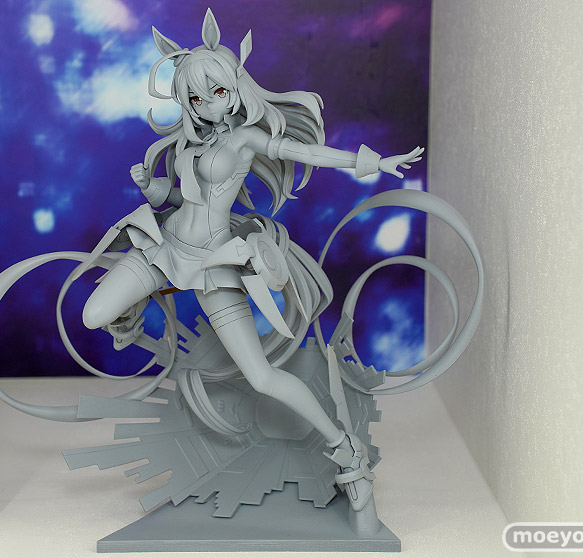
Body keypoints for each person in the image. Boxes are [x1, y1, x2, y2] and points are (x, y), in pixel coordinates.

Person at [80, 9, 422, 513]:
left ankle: (345, 450)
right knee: (94, 314)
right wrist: (151, 188)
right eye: (195, 98)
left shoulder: (245, 140)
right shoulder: (189, 141)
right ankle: (144, 306)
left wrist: (370, 162)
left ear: (235, 87)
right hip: (164, 248)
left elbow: (308, 154)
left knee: (261, 377)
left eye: (216, 92)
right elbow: (177, 200)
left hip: (215, 264)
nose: (206, 104)